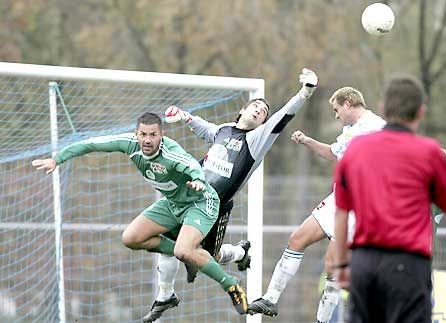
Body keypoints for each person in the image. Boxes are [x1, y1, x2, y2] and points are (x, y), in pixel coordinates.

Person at [143, 68, 319, 322]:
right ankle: (165, 295)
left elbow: (283, 116)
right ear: (243, 111)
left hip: (214, 208)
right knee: (168, 244)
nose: (259, 111)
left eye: (263, 112)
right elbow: (207, 130)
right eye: (255, 106)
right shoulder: (225, 129)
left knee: (209, 258)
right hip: (189, 199)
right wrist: (185, 116)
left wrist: (305, 92)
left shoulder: (256, 140)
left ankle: (239, 253)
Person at [31, 112, 248, 316]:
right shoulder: (129, 144)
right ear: (137, 134)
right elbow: (91, 143)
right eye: (143, 134)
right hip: (173, 204)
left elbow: (192, 166)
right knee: (131, 238)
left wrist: (199, 182)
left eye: (153, 135)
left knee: (185, 250)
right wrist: (57, 159)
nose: (147, 139)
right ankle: (191, 255)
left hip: (201, 203)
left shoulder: (171, 153)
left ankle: (231, 285)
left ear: (162, 135)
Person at [247, 86, 386, 321]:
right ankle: (270, 299)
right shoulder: (350, 130)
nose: (336, 115)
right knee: (296, 239)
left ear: (348, 104)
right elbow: (334, 153)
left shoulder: (378, 127)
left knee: (331, 267)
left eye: (336, 110)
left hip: (361, 207)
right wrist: (307, 141)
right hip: (339, 198)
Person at [333, 74, 446, 323]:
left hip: (364, 263)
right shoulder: (429, 151)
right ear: (420, 112)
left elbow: (342, 211)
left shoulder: (356, 149)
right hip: (408, 265)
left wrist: (342, 266)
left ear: (382, 109)